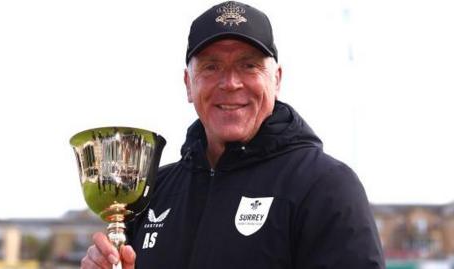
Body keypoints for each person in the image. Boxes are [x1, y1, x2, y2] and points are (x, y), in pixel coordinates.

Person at [81, 1, 385, 268]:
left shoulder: (325, 186)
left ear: (276, 80)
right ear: (189, 84)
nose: (230, 83)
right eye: (211, 67)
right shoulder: (154, 192)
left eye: (248, 65)